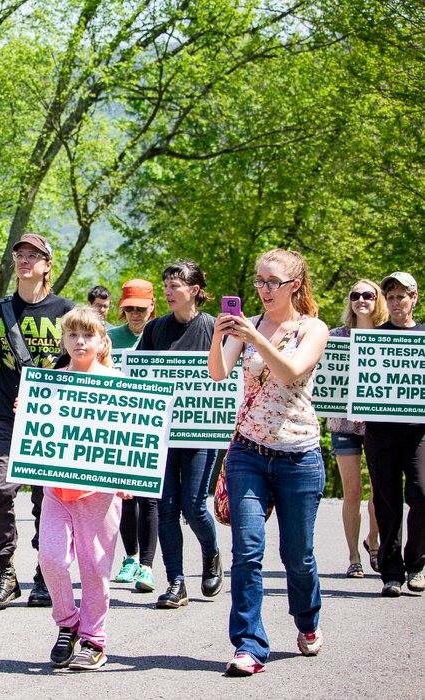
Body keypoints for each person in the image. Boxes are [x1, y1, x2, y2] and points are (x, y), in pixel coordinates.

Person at [209, 248, 329, 676]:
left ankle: (307, 620)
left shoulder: (312, 328)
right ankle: (249, 644)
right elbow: (220, 372)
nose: (262, 289)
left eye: (272, 282)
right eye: (258, 281)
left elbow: (291, 371)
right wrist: (220, 335)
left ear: (294, 285)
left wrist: (257, 339)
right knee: (247, 552)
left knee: (298, 556)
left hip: (299, 456)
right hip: (249, 453)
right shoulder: (251, 325)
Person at [0, 233, 74, 610]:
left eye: (33, 255)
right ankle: (6, 572)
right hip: (5, 420)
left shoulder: (67, 312)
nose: (25, 260)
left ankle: (45, 576)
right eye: (19, 255)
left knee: (48, 499)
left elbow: (83, 365)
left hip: (50, 421)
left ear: (47, 265)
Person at [40, 306, 130, 671]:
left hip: (100, 493)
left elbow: (132, 435)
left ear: (101, 340)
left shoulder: (118, 382)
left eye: (87, 335)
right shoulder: (51, 380)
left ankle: (93, 640)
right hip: (57, 490)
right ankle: (67, 622)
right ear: (63, 340)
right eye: (73, 335)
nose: (80, 341)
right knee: (52, 558)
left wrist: (127, 476)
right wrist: (28, 408)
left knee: (95, 567)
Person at [136, 260, 224, 609]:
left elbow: (229, 379)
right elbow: (138, 378)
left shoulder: (215, 328)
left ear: (196, 291)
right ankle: (176, 582)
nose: (169, 291)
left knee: (194, 506)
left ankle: (212, 552)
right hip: (163, 435)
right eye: (166, 285)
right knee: (167, 508)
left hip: (201, 435)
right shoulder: (155, 330)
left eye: (176, 285)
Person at [363, 271, 424, 597]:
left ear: (414, 299)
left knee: (422, 494)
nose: (396, 301)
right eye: (391, 296)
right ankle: (391, 572)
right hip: (380, 432)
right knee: (387, 502)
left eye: (402, 296)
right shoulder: (374, 337)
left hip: (419, 433)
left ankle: (416, 562)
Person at [328, 280, 386, 577]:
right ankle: (353, 557)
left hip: (379, 423)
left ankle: (373, 542)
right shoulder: (334, 337)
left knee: (380, 490)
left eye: (368, 295)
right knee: (352, 491)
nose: (361, 300)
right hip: (343, 423)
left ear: (378, 300)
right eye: (355, 295)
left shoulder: (390, 337)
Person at [108, 279, 159, 592]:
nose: (136, 314)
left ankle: (147, 566)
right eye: (130, 309)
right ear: (122, 309)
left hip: (151, 427)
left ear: (152, 307)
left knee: (149, 497)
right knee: (125, 497)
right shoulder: (111, 338)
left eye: (141, 308)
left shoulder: (159, 334)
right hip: (119, 427)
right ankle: (129, 557)